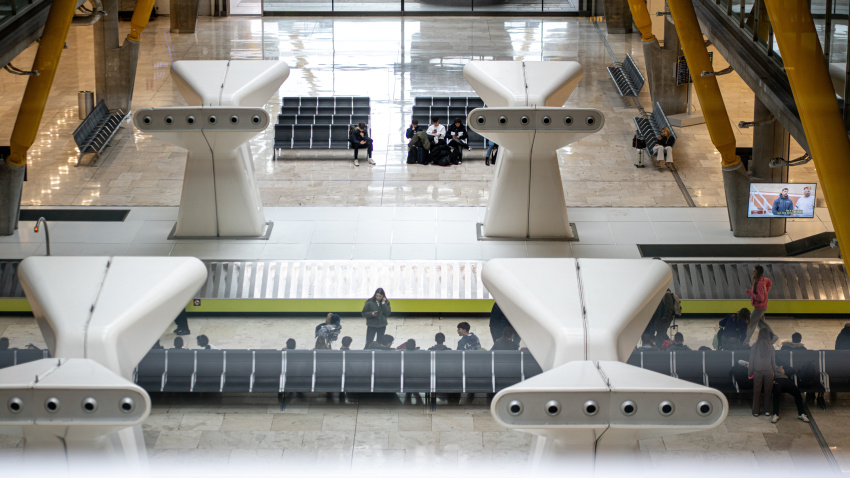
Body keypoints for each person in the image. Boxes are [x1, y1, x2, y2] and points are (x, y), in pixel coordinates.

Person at [746, 265, 777, 344]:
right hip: (762, 306)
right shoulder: (763, 279)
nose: (753, 273)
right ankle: (772, 337)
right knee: (761, 324)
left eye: (754, 272)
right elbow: (769, 282)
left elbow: (760, 298)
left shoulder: (759, 284)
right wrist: (766, 291)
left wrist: (750, 293)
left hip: (759, 308)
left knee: (751, 323)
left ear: (758, 273)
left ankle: (745, 340)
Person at [749, 328, 776, 417]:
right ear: (768, 336)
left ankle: (756, 411)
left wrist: (750, 372)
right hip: (769, 371)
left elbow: (751, 360)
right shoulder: (771, 347)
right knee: (768, 391)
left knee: (757, 391)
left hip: (758, 371)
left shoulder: (755, 346)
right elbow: (773, 362)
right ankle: (767, 410)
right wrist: (774, 372)